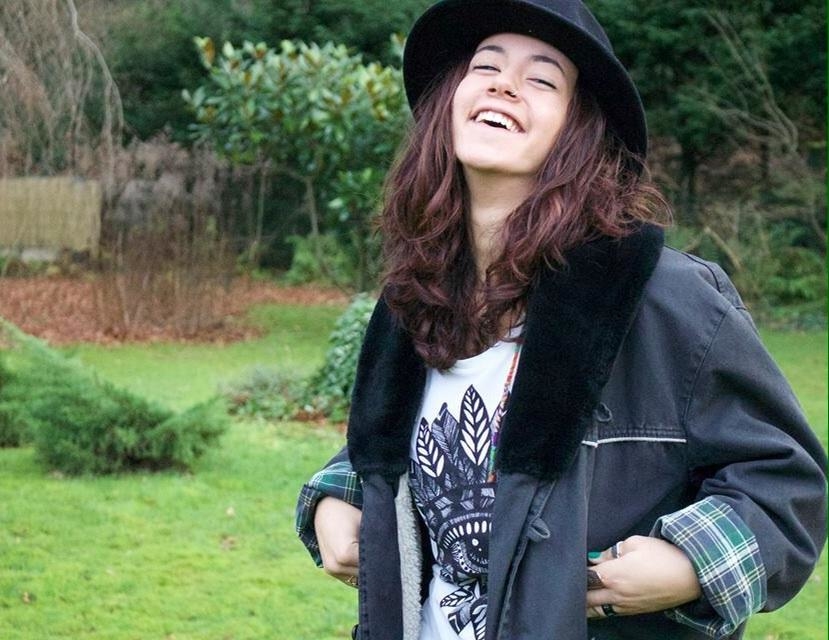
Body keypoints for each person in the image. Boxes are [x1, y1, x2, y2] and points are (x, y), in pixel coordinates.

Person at [295, 1, 827, 638]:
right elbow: (431, 444)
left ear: (580, 132)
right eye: (485, 66)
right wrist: (338, 494)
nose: (503, 84)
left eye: (542, 79)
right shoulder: (413, 297)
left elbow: (787, 483)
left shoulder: (663, 297)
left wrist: (690, 564)